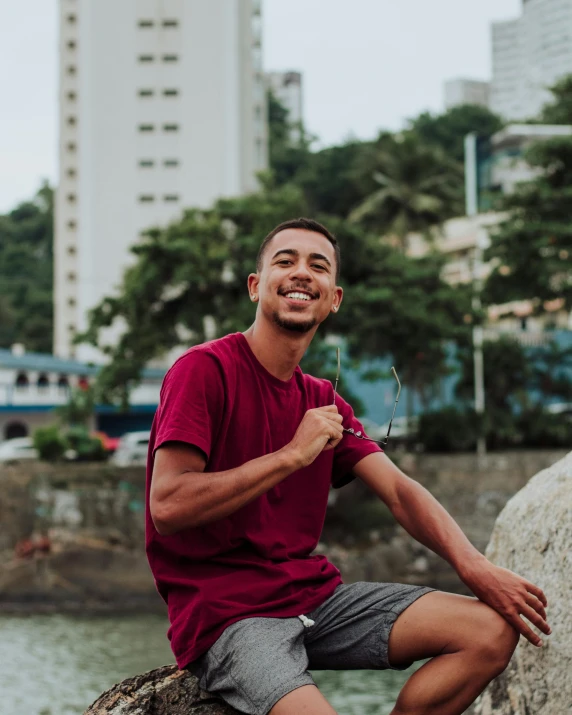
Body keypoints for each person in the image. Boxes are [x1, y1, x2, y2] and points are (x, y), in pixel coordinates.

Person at [145, 218, 550, 715]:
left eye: (318, 266)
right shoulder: (203, 370)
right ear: (256, 286)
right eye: (285, 261)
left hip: (314, 600)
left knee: (489, 631)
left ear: (334, 298)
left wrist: (476, 568)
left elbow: (400, 491)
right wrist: (293, 455)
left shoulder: (322, 400)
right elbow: (168, 505)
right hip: (228, 615)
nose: (301, 274)